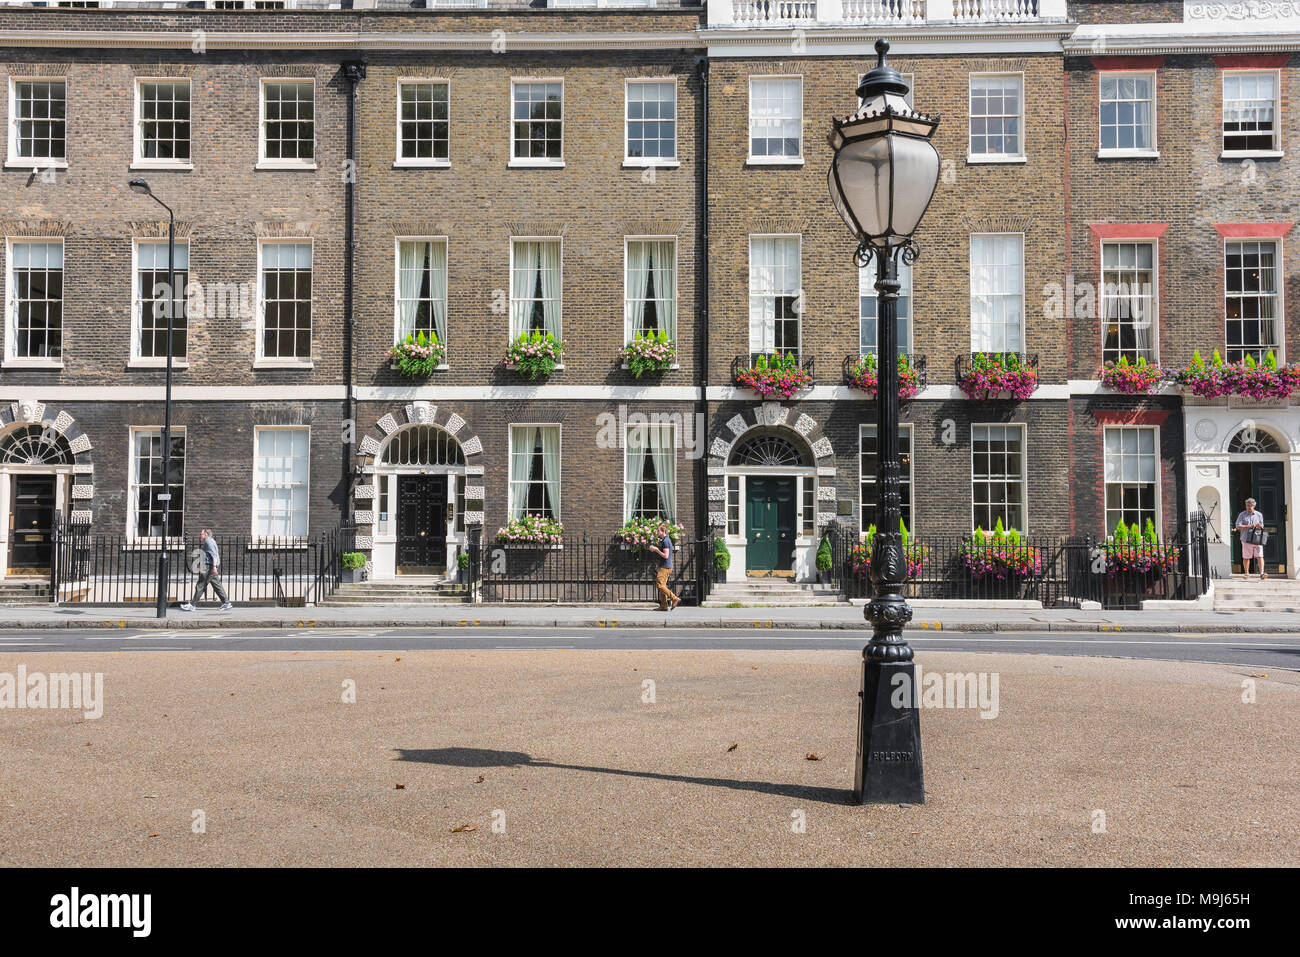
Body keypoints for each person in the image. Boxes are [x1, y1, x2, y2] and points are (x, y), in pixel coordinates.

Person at [180, 528, 232, 611]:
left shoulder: (208, 542)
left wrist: (214, 567)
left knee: (200, 585)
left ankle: (192, 605)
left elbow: (214, 555)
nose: (200, 535)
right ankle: (226, 603)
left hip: (209, 567)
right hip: (209, 566)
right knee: (217, 585)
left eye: (201, 534)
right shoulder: (210, 541)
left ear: (206, 535)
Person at [1234, 498, 1268, 581]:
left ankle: (1262, 573)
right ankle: (1246, 573)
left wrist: (1260, 526)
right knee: (1246, 557)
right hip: (1246, 539)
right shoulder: (1242, 515)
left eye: (1250, 506)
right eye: (1247, 505)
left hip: (1257, 539)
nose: (1248, 507)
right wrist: (1250, 526)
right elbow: (1238, 526)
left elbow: (1262, 525)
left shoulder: (1259, 514)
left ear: (1254, 506)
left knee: (1260, 556)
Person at [647, 529, 680, 612]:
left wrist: (656, 550)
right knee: (663, 585)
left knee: (659, 584)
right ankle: (664, 606)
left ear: (663, 531)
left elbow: (666, 555)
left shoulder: (666, 541)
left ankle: (674, 598)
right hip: (665, 566)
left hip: (666, 567)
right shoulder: (665, 540)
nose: (657, 533)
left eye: (658, 531)